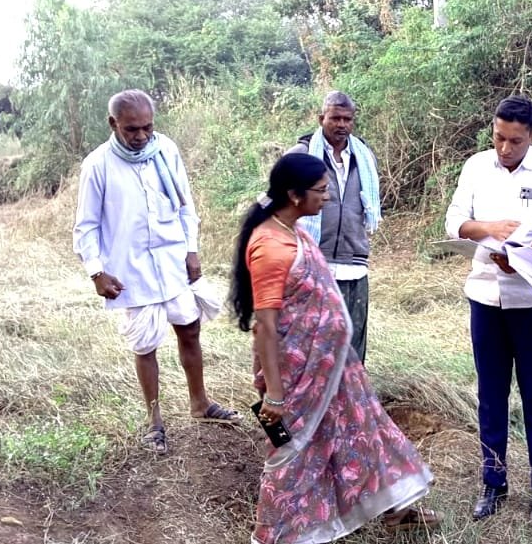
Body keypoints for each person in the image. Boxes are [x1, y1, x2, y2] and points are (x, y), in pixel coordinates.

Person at [230, 153, 442, 543]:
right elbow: (266, 326)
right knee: (291, 451)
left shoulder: (294, 232)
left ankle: (397, 510)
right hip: (294, 378)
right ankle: (275, 534)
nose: (327, 198)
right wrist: (274, 395)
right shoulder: (271, 246)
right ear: (294, 195)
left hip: (333, 368)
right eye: (321, 191)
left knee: (363, 428)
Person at [73, 89, 241, 455]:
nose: (141, 136)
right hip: (130, 269)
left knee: (190, 328)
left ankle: (200, 403)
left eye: (147, 128)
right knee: (145, 344)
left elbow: (185, 205)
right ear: (113, 124)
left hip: (172, 259)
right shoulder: (98, 165)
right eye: (132, 129)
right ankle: (154, 422)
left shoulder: (166, 150)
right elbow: (86, 226)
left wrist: (191, 249)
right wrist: (97, 273)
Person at [443, 96, 532, 524]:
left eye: (515, 141)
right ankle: (493, 482)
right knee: (491, 393)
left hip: (531, 299)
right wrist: (488, 229)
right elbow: (455, 221)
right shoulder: (476, 166)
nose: (504, 148)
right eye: (499, 138)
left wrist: (528, 253)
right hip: (484, 296)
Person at [286, 91, 381, 365]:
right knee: (312, 343)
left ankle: (350, 393)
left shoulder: (364, 157)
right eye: (335, 118)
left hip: (354, 264)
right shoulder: (301, 156)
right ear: (321, 119)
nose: (342, 124)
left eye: (347, 119)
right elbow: (278, 207)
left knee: (352, 345)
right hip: (312, 262)